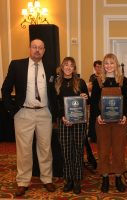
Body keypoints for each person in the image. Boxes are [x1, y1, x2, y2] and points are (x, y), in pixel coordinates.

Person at [1, 38, 57, 196]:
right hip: (23, 113)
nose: (37, 50)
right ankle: (23, 181)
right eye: (34, 47)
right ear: (29, 49)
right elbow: (5, 89)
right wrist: (11, 110)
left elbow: (54, 91)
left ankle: (47, 178)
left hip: (44, 113)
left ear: (44, 50)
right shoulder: (17, 65)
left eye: (40, 48)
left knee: (45, 148)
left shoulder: (51, 67)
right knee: (24, 150)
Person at [90, 53, 127, 193]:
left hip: (119, 122)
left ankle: (119, 177)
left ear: (116, 65)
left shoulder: (122, 80)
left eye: (111, 63)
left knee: (119, 150)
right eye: (106, 63)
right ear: (103, 66)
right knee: (104, 150)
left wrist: (125, 115)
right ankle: (105, 177)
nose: (108, 66)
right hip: (102, 122)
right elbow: (94, 101)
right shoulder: (98, 81)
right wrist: (97, 115)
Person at [54, 57, 89, 194]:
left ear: (74, 68)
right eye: (66, 65)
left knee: (78, 150)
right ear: (62, 67)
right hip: (63, 121)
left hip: (79, 122)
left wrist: (86, 97)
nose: (68, 67)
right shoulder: (56, 83)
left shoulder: (80, 82)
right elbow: (54, 103)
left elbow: (88, 101)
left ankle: (77, 179)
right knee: (66, 151)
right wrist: (62, 116)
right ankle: (68, 179)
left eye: (71, 65)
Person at [88, 60, 102, 142]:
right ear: (94, 67)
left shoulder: (104, 76)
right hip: (94, 99)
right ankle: (93, 136)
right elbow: (89, 88)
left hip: (102, 100)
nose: (98, 68)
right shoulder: (92, 77)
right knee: (93, 118)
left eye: (100, 66)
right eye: (97, 67)